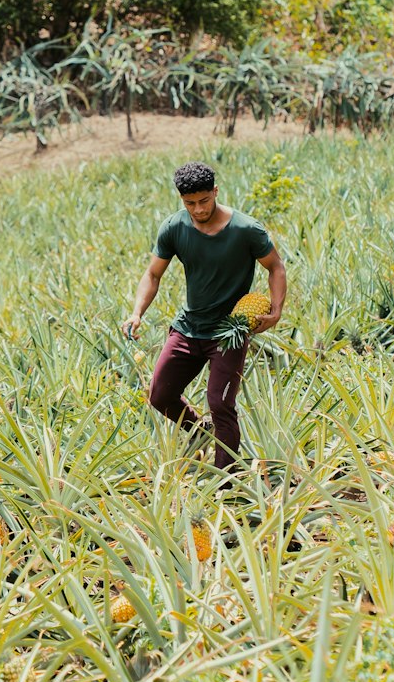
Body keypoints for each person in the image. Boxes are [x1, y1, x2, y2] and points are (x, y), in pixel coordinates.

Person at [122, 161, 286, 472]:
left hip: (228, 332)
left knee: (220, 404)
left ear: (215, 191)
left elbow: (275, 267)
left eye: (204, 201)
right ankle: (201, 432)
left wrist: (276, 310)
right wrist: (137, 313)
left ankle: (225, 482)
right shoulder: (174, 228)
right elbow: (153, 274)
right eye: (189, 203)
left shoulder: (246, 230)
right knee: (160, 395)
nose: (198, 209)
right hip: (188, 328)